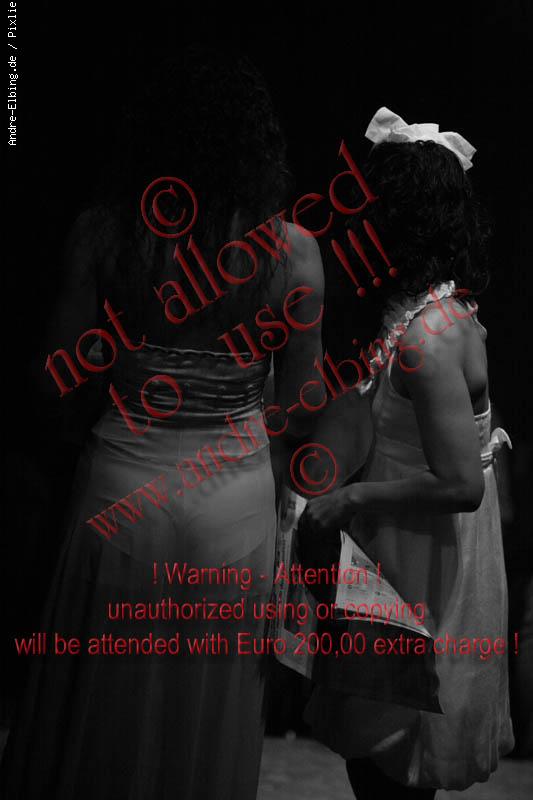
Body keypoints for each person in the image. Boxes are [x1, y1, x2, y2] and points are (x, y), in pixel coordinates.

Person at [0, 48, 324, 799]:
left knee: (101, 702)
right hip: (232, 502)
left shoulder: (104, 235)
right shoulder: (292, 251)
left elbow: (51, 377)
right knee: (199, 709)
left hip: (119, 485)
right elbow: (304, 405)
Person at [301, 108, 514, 798]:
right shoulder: (420, 314)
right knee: (377, 755)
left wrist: (352, 497)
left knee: (393, 752)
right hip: (398, 545)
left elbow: (462, 484)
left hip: (422, 561)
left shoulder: (432, 336)